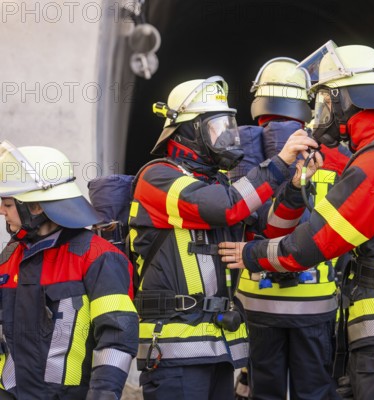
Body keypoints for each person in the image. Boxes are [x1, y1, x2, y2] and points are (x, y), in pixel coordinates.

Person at [220, 43, 374, 400]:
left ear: (344, 100)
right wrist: (295, 189)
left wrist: (250, 253)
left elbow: (312, 244)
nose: (322, 111)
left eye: (325, 100)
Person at [129, 76, 320, 400]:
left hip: (217, 347)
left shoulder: (215, 184)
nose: (228, 136)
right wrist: (280, 163)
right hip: (174, 351)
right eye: (217, 127)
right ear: (190, 131)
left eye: (229, 126)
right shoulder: (158, 176)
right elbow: (228, 208)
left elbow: (267, 232)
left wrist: (295, 190)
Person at [232, 57, 349, 400]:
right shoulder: (333, 155)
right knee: (313, 391)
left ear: (258, 101)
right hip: (313, 303)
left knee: (263, 391)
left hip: (256, 301)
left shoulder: (236, 154)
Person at [0, 142, 138, 400]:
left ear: (37, 206)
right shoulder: (9, 257)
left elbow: (117, 336)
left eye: (7, 203)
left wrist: (104, 393)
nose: (1, 211)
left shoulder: (98, 256)